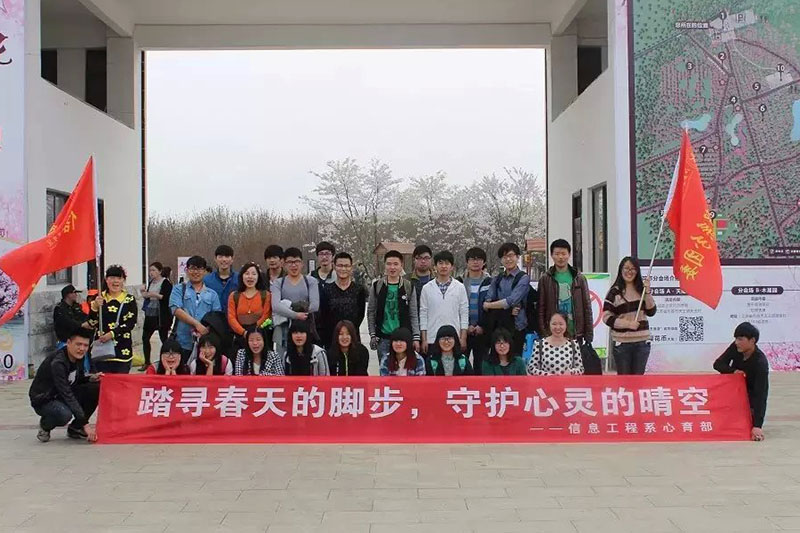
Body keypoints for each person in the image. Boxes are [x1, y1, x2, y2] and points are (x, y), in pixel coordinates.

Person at [29, 327, 100, 442]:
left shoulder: (79, 357)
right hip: (45, 399)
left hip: (62, 394)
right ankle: (45, 425)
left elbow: (77, 379)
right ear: (68, 343)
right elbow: (67, 393)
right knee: (64, 415)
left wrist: (91, 378)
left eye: (85, 345)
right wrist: (86, 424)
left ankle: (75, 428)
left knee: (95, 387)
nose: (82, 349)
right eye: (78, 344)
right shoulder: (58, 363)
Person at [714, 322, 769, 442]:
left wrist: (757, 426)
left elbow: (761, 395)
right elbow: (718, 364)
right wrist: (734, 372)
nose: (736, 342)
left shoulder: (760, 363)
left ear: (752, 340)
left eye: (740, 339)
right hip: (731, 392)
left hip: (749, 397)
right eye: (736, 339)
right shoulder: (735, 348)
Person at [603, 257, 657, 375]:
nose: (629, 272)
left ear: (637, 271)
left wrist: (647, 292)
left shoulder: (642, 290)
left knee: (638, 381)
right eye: (626, 268)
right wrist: (628, 324)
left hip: (642, 342)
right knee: (624, 381)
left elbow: (651, 311)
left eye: (633, 269)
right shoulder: (614, 292)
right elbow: (606, 317)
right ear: (621, 270)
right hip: (622, 344)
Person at [368, 250, 420, 363]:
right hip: (383, 338)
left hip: (404, 338)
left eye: (396, 264)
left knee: (404, 369)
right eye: (389, 264)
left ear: (401, 265)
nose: (392, 267)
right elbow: (371, 311)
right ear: (385, 265)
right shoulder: (377, 286)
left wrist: (416, 337)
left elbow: (413, 314)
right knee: (385, 369)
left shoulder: (408, 286)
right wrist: (373, 334)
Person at [537, 239, 593, 344]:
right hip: (553, 333)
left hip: (576, 333)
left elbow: (587, 306)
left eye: (563, 254)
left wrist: (589, 334)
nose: (560, 257)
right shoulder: (545, 279)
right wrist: (544, 333)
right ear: (551, 255)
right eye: (557, 254)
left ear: (569, 255)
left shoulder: (579, 278)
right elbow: (541, 308)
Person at [169, 255, 222, 362]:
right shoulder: (179, 289)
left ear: (205, 271)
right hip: (182, 342)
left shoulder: (212, 294)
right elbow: (176, 310)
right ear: (187, 270)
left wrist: (205, 330)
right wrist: (197, 325)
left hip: (204, 346)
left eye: (200, 269)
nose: (196, 272)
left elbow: (216, 317)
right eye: (192, 268)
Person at [86, 265, 138, 374]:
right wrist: (94, 308)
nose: (115, 281)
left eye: (119, 278)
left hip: (122, 351)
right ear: (106, 280)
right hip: (102, 352)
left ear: (123, 280)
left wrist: (112, 334)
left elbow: (130, 323)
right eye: (112, 278)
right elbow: (91, 323)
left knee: (120, 382)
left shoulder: (129, 299)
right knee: (102, 382)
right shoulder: (99, 298)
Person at [483, 243, 531, 354]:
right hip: (499, 325)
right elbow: (488, 299)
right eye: (504, 257)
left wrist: (491, 305)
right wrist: (507, 309)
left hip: (517, 325)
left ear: (517, 257)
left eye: (511, 255)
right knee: (498, 358)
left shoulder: (523, 278)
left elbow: (511, 300)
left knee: (515, 358)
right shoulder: (497, 279)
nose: (508, 259)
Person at [271, 247, 320, 356]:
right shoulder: (278, 283)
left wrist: (287, 306)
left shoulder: (310, 281)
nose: (294, 265)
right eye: (290, 262)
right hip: (283, 330)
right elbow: (275, 306)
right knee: (283, 360)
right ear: (284, 264)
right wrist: (296, 314)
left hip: (305, 329)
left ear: (302, 263)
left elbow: (315, 305)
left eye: (297, 261)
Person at [419, 250, 469, 355]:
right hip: (432, 338)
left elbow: (464, 313)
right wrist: (424, 339)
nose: (444, 266)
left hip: (454, 338)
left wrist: (463, 337)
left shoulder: (459, 287)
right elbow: (423, 314)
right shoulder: (427, 288)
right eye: (440, 263)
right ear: (435, 266)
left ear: (452, 267)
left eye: (447, 263)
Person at [319, 252, 368, 349]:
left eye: (346, 266)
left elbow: (360, 315)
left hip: (352, 337)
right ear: (334, 266)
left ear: (351, 267)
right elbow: (323, 316)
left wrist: (348, 332)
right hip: (331, 338)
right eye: (340, 266)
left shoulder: (359, 290)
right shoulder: (326, 290)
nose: (343, 269)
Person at [460, 247, 492, 374]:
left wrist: (482, 326)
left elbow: (492, 308)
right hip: (464, 331)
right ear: (467, 262)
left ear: (484, 262)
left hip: (482, 331)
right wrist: (465, 326)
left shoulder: (490, 282)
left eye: (479, 259)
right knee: (462, 366)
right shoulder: (459, 282)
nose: (475, 262)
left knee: (481, 367)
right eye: (472, 259)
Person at [227, 262, 271, 346]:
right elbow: (231, 317)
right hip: (240, 336)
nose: (250, 277)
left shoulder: (266, 295)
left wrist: (254, 330)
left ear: (258, 277)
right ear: (242, 276)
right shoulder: (234, 296)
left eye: (254, 274)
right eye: (247, 274)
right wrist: (244, 332)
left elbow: (266, 314)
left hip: (260, 334)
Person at [140, 261, 174, 371]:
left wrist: (154, 295)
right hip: (150, 314)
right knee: (145, 338)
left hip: (161, 315)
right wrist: (144, 293)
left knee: (163, 339)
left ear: (160, 271)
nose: (151, 272)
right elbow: (147, 296)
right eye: (150, 270)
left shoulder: (166, 283)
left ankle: (167, 360)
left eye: (154, 270)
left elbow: (166, 298)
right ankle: (147, 361)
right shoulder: (151, 282)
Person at [53, 284, 89, 349]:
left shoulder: (76, 306)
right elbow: (67, 322)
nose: (76, 295)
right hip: (65, 341)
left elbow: (83, 316)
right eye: (74, 293)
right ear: (68, 295)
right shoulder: (60, 309)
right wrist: (81, 325)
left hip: (78, 340)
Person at [204, 244, 239, 311]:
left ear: (232, 259)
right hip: (213, 316)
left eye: (227, 256)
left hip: (234, 316)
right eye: (220, 257)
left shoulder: (240, 279)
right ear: (215, 259)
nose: (224, 259)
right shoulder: (207, 280)